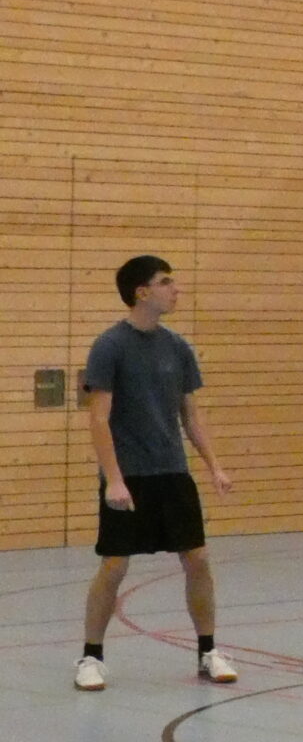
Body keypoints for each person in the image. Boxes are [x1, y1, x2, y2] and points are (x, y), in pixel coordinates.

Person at [74, 255, 237, 691]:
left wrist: (214, 466)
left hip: (172, 473)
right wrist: (114, 478)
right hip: (129, 475)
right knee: (114, 566)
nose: (175, 289)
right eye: (166, 282)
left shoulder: (178, 348)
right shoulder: (110, 346)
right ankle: (91, 657)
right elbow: (99, 418)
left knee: (198, 559)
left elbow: (191, 416)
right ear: (141, 292)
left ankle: (208, 651)